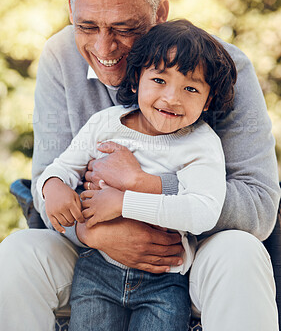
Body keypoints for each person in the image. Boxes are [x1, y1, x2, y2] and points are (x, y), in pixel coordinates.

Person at [0, 0, 279, 331]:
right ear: (69, 5)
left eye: (124, 29)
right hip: (95, 249)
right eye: (87, 26)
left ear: (160, 12)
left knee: (241, 253)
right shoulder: (60, 57)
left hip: (186, 254)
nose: (104, 47)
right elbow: (52, 179)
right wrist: (95, 232)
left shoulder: (222, 69)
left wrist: (145, 187)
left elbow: (259, 207)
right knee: (16, 254)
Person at [37, 19, 236, 330]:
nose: (172, 98)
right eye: (159, 80)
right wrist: (52, 185)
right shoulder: (105, 124)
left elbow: (202, 213)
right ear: (135, 79)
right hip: (97, 269)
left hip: (164, 281)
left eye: (191, 88)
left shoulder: (202, 144)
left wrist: (123, 202)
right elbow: (63, 166)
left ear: (208, 100)